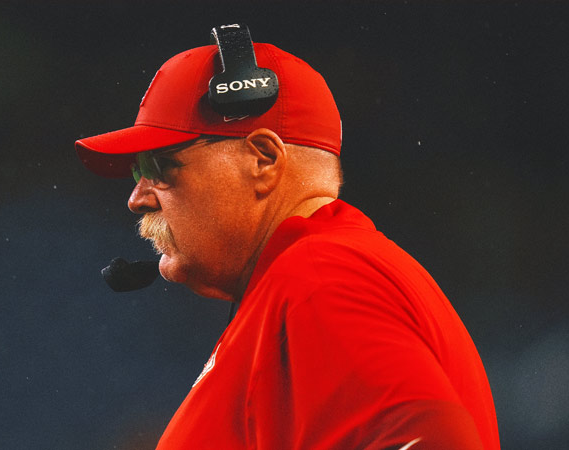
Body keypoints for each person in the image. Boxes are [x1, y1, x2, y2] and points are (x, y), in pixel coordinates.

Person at [75, 26, 499, 450]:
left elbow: (432, 440)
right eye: (138, 170)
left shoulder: (321, 273)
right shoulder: (308, 276)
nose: (137, 198)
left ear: (263, 160)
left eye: (159, 167)